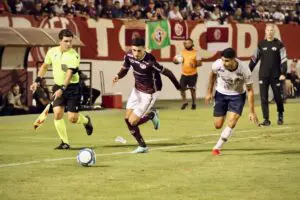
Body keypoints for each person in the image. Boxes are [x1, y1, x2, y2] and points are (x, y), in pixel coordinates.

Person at [112, 37, 181, 153]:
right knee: (127, 119)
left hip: (150, 93)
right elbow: (125, 69)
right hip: (137, 90)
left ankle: (151, 116)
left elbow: (168, 72)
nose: (136, 53)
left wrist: (179, 87)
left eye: (139, 51)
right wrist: (118, 76)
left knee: (132, 121)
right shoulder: (129, 56)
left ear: (144, 49)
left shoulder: (150, 61)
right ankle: (142, 146)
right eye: (134, 50)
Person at [30, 29, 93, 150]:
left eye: (70, 41)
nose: (69, 44)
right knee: (58, 114)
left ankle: (86, 121)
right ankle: (65, 143)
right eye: (66, 41)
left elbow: (69, 74)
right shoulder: (51, 52)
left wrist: (63, 89)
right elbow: (45, 66)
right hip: (58, 86)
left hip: (72, 88)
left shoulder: (74, 55)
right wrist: (37, 81)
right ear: (60, 41)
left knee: (72, 119)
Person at [205, 48, 258, 156]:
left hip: (237, 96)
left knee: (232, 122)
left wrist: (252, 111)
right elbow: (212, 75)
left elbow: (250, 90)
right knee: (218, 125)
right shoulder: (217, 64)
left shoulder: (244, 70)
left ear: (234, 59)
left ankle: (217, 147)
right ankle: (224, 118)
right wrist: (209, 92)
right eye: (223, 60)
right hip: (220, 94)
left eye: (227, 61)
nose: (224, 63)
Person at [249, 24, 287, 126]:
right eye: (268, 30)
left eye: (271, 30)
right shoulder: (260, 44)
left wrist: (283, 73)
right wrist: (248, 72)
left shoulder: (280, 45)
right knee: (263, 98)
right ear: (265, 31)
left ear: (274, 32)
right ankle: (266, 120)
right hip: (263, 75)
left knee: (278, 97)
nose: (270, 32)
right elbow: (254, 59)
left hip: (276, 75)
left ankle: (280, 115)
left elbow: (284, 60)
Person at [173, 38, 202, 110]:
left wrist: (195, 65)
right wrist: (175, 61)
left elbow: (200, 63)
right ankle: (185, 102)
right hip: (184, 74)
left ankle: (194, 104)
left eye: (189, 43)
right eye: (186, 43)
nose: (187, 44)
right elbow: (176, 61)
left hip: (193, 75)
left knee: (192, 89)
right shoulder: (182, 52)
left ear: (192, 44)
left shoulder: (196, 52)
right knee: (181, 89)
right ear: (184, 44)